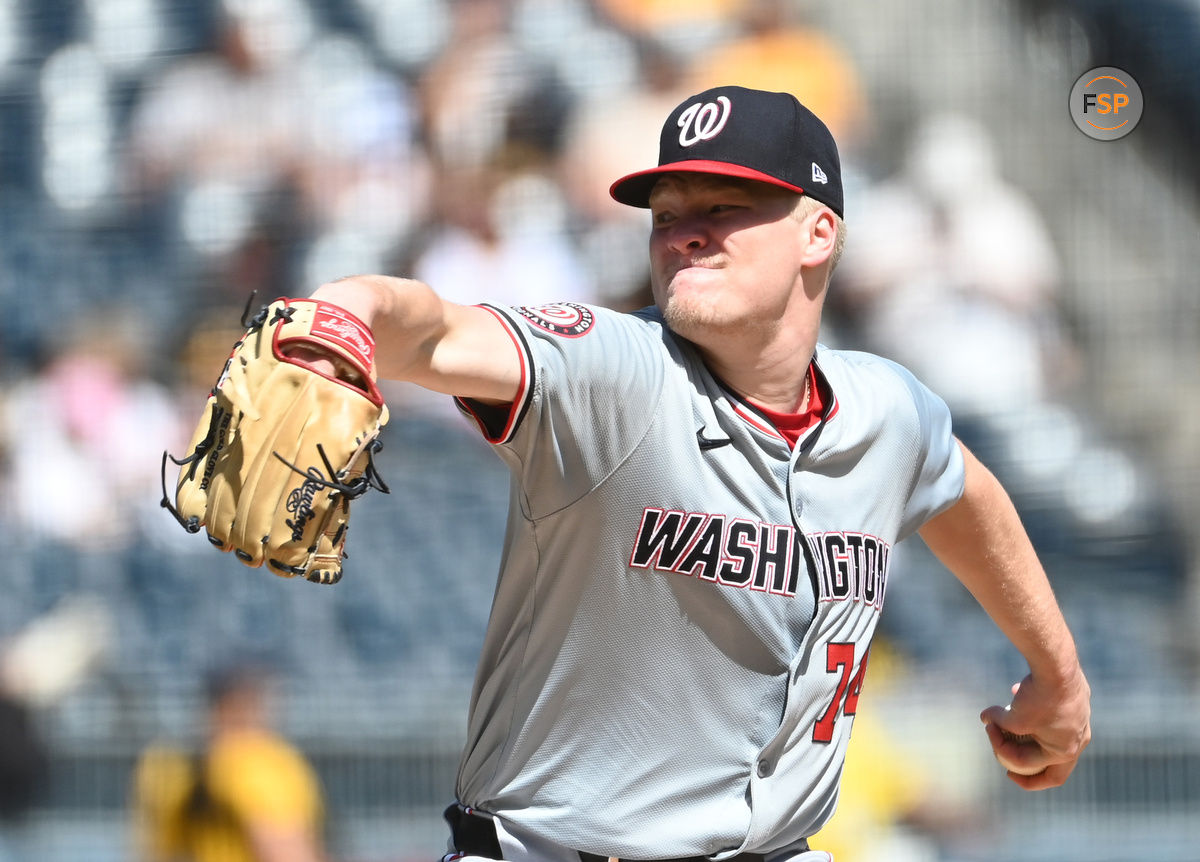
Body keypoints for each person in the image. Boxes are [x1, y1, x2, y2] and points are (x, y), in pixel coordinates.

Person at [293, 85, 1091, 862]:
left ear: (817, 234)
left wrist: (1058, 675)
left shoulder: (887, 413)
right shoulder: (614, 370)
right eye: (668, 215)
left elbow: (967, 493)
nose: (685, 235)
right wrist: (347, 310)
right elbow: (436, 334)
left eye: (724, 208)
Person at [131, 663, 328, 862]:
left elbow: (157, 851)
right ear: (241, 705)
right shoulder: (255, 763)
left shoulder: (166, 764)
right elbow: (286, 852)